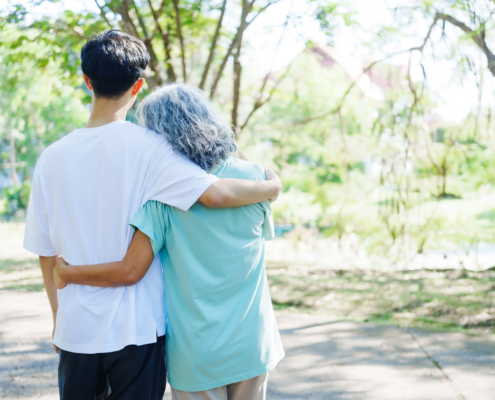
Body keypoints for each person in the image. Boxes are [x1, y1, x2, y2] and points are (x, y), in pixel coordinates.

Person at [23, 31, 282, 400]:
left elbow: (45, 252)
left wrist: (57, 319)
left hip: (76, 330)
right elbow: (216, 193)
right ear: (138, 85)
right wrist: (273, 187)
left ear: (87, 80)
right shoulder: (153, 149)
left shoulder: (50, 158)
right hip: (139, 332)